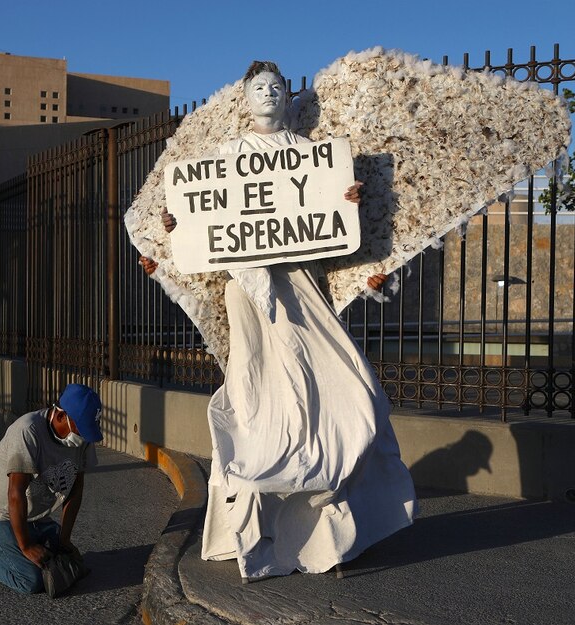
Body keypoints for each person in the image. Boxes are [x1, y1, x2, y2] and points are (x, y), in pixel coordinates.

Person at [141, 60, 416, 582]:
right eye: (259, 88)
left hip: (304, 292)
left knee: (348, 398)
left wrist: (347, 205)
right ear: (245, 100)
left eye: (276, 87)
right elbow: (204, 237)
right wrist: (179, 226)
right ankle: (258, 529)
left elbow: (339, 243)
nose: (268, 93)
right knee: (257, 405)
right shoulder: (225, 159)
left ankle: (329, 533)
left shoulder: (315, 157)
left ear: (289, 97)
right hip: (248, 300)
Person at [0, 383, 102, 594]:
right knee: (31, 579)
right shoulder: (27, 431)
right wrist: (26, 546)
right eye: (81, 428)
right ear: (60, 415)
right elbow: (16, 493)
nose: (84, 437)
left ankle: (21, 540)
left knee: (63, 563)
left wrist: (64, 540)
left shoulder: (83, 439)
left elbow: (76, 489)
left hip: (31, 516)